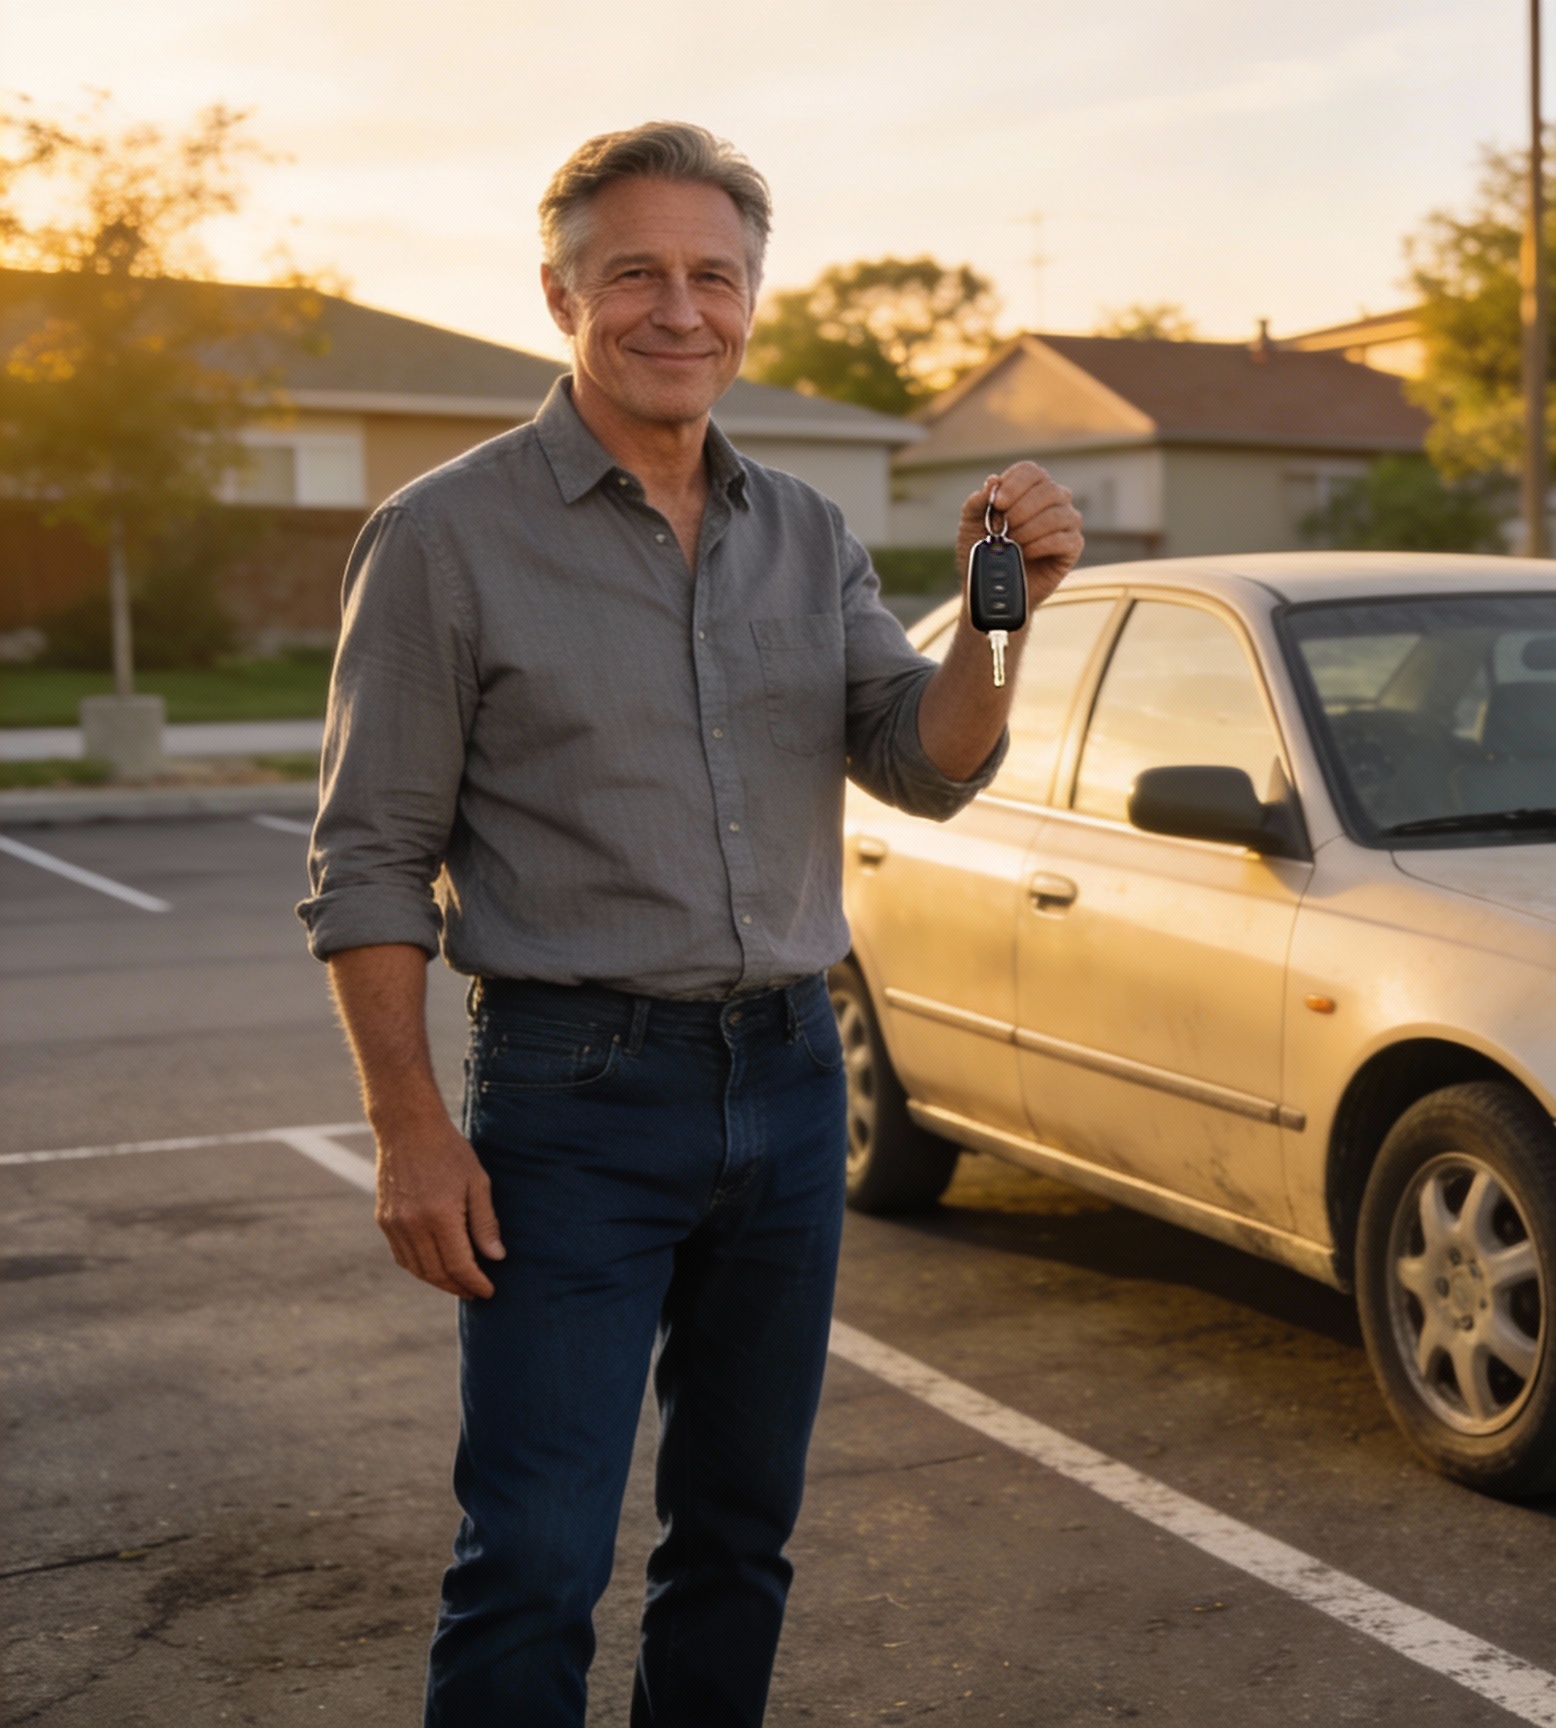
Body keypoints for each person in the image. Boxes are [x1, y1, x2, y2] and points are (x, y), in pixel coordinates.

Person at [297, 121, 1081, 1728]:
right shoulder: (445, 538)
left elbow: (922, 763)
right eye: (635, 274)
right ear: (559, 295)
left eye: (713, 276)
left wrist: (1005, 616)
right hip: (572, 1099)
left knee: (738, 1535)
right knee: (534, 1557)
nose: (679, 310)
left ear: (751, 299)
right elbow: (370, 857)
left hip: (790, 1084)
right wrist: (408, 1131)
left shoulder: (806, 529)